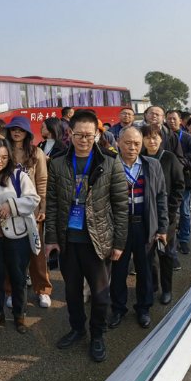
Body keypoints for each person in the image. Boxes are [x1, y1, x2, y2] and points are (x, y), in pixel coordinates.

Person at [45, 110, 128, 362]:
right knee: (72, 293)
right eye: (79, 134)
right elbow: (51, 203)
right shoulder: (58, 162)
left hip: (98, 240)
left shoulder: (110, 161)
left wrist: (119, 242)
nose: (83, 140)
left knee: (100, 295)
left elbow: (120, 205)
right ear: (69, 133)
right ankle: (78, 328)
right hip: (68, 240)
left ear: (97, 135)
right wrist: (51, 239)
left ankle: (97, 334)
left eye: (89, 135)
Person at [0, 139, 40, 334]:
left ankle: (20, 315)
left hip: (17, 237)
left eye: (4, 157)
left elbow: (33, 199)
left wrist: (11, 206)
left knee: (18, 277)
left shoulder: (19, 176)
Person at [109, 127, 168, 330]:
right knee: (119, 269)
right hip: (120, 227)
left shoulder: (152, 165)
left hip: (145, 225)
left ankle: (143, 308)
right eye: (128, 143)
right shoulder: (111, 165)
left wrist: (162, 227)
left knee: (145, 269)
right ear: (118, 143)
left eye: (136, 143)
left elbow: (161, 197)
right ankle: (118, 309)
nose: (133, 147)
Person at [1, 116, 52, 308]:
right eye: (13, 129)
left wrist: (43, 207)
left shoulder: (36, 152)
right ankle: (10, 291)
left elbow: (42, 181)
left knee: (36, 251)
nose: (16, 132)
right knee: (10, 253)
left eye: (21, 129)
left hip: (31, 209)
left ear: (27, 133)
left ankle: (43, 290)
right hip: (7, 209)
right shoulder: (3, 150)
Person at [141, 124, 185, 303]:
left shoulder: (169, 157)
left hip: (166, 216)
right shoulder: (139, 158)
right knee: (148, 255)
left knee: (166, 254)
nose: (151, 141)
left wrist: (170, 211)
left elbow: (179, 186)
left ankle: (167, 289)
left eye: (155, 137)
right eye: (147, 137)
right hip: (145, 216)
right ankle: (153, 285)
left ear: (161, 139)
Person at [165, 110, 191, 256]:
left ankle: (184, 239)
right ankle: (168, 239)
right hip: (166, 179)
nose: (171, 121)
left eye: (174, 119)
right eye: (169, 119)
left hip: (183, 178)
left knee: (185, 212)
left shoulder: (187, 137)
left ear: (180, 121)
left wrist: (180, 162)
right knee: (167, 211)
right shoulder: (162, 136)